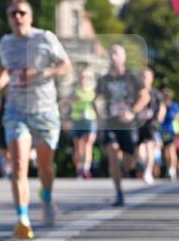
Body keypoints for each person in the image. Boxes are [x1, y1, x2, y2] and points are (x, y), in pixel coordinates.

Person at [0, 0, 72, 239]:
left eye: (22, 13)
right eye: (12, 13)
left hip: (45, 111)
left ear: (30, 16)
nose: (17, 17)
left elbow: (66, 66)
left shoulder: (45, 38)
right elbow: (5, 69)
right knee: (18, 165)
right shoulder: (5, 43)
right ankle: (22, 218)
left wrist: (43, 72)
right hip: (16, 111)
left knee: (45, 166)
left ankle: (46, 195)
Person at [95, 44, 149, 206]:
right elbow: (96, 98)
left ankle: (129, 167)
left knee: (129, 160)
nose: (113, 56)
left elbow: (144, 96)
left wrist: (132, 111)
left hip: (128, 123)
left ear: (123, 58)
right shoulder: (104, 79)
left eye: (116, 53)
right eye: (111, 53)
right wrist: (99, 114)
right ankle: (118, 192)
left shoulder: (131, 77)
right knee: (112, 151)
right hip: (111, 122)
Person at [69, 68, 98, 179]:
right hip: (77, 119)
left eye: (87, 77)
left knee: (88, 143)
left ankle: (86, 168)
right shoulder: (75, 90)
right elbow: (70, 101)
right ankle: (79, 169)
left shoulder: (94, 92)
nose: (84, 79)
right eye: (82, 77)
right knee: (78, 147)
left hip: (90, 120)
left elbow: (98, 105)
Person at [136, 68, 163, 184]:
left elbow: (162, 107)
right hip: (137, 124)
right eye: (142, 76)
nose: (143, 79)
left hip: (150, 123)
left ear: (151, 79)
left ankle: (148, 172)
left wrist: (159, 118)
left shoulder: (155, 93)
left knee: (149, 147)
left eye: (146, 77)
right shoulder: (135, 91)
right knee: (138, 152)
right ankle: (143, 164)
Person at [159, 89, 179, 180]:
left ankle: (173, 170)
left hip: (172, 130)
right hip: (162, 131)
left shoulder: (174, 106)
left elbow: (177, 116)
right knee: (165, 152)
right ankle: (169, 167)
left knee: (171, 150)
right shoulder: (161, 106)